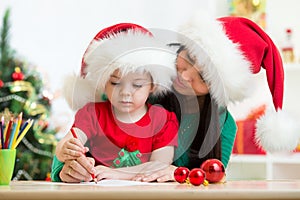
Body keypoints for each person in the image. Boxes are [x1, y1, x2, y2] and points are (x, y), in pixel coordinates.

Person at [132, 14, 299, 182]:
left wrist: (178, 174)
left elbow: (213, 179)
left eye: (203, 77)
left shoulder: (224, 125)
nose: (184, 75)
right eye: (188, 59)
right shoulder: (148, 89)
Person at [51, 23, 179, 183]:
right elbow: (69, 141)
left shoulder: (163, 119)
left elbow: (160, 165)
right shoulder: (92, 113)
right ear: (103, 83)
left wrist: (115, 173)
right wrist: (66, 149)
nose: (125, 92)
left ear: (152, 86)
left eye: (137, 85)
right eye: (115, 83)